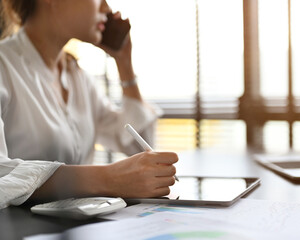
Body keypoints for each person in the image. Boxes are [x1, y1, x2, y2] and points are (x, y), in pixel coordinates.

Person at [0, 0, 178, 209]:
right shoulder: (5, 67)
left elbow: (139, 146)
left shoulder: (77, 76)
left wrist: (124, 63)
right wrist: (108, 179)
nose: (107, 8)